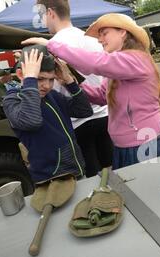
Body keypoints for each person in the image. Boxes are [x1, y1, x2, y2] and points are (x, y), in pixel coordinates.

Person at [22, 13, 160, 169]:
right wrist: (69, 81)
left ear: (123, 32)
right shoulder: (120, 66)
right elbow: (100, 96)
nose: (99, 40)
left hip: (144, 143)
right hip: (125, 145)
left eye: (104, 33)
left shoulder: (136, 59)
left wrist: (52, 45)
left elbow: (97, 62)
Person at [35, 0, 113, 178]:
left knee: (92, 177)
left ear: (50, 13)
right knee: (112, 169)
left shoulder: (51, 46)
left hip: (78, 121)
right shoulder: (94, 40)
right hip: (105, 115)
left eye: (41, 16)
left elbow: (50, 88)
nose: (41, 21)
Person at [3, 46, 93, 184]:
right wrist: (30, 80)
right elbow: (31, 121)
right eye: (39, 79)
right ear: (21, 75)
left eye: (51, 79)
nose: (47, 86)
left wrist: (69, 81)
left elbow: (84, 111)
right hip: (52, 179)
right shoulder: (13, 100)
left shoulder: (52, 95)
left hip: (76, 169)